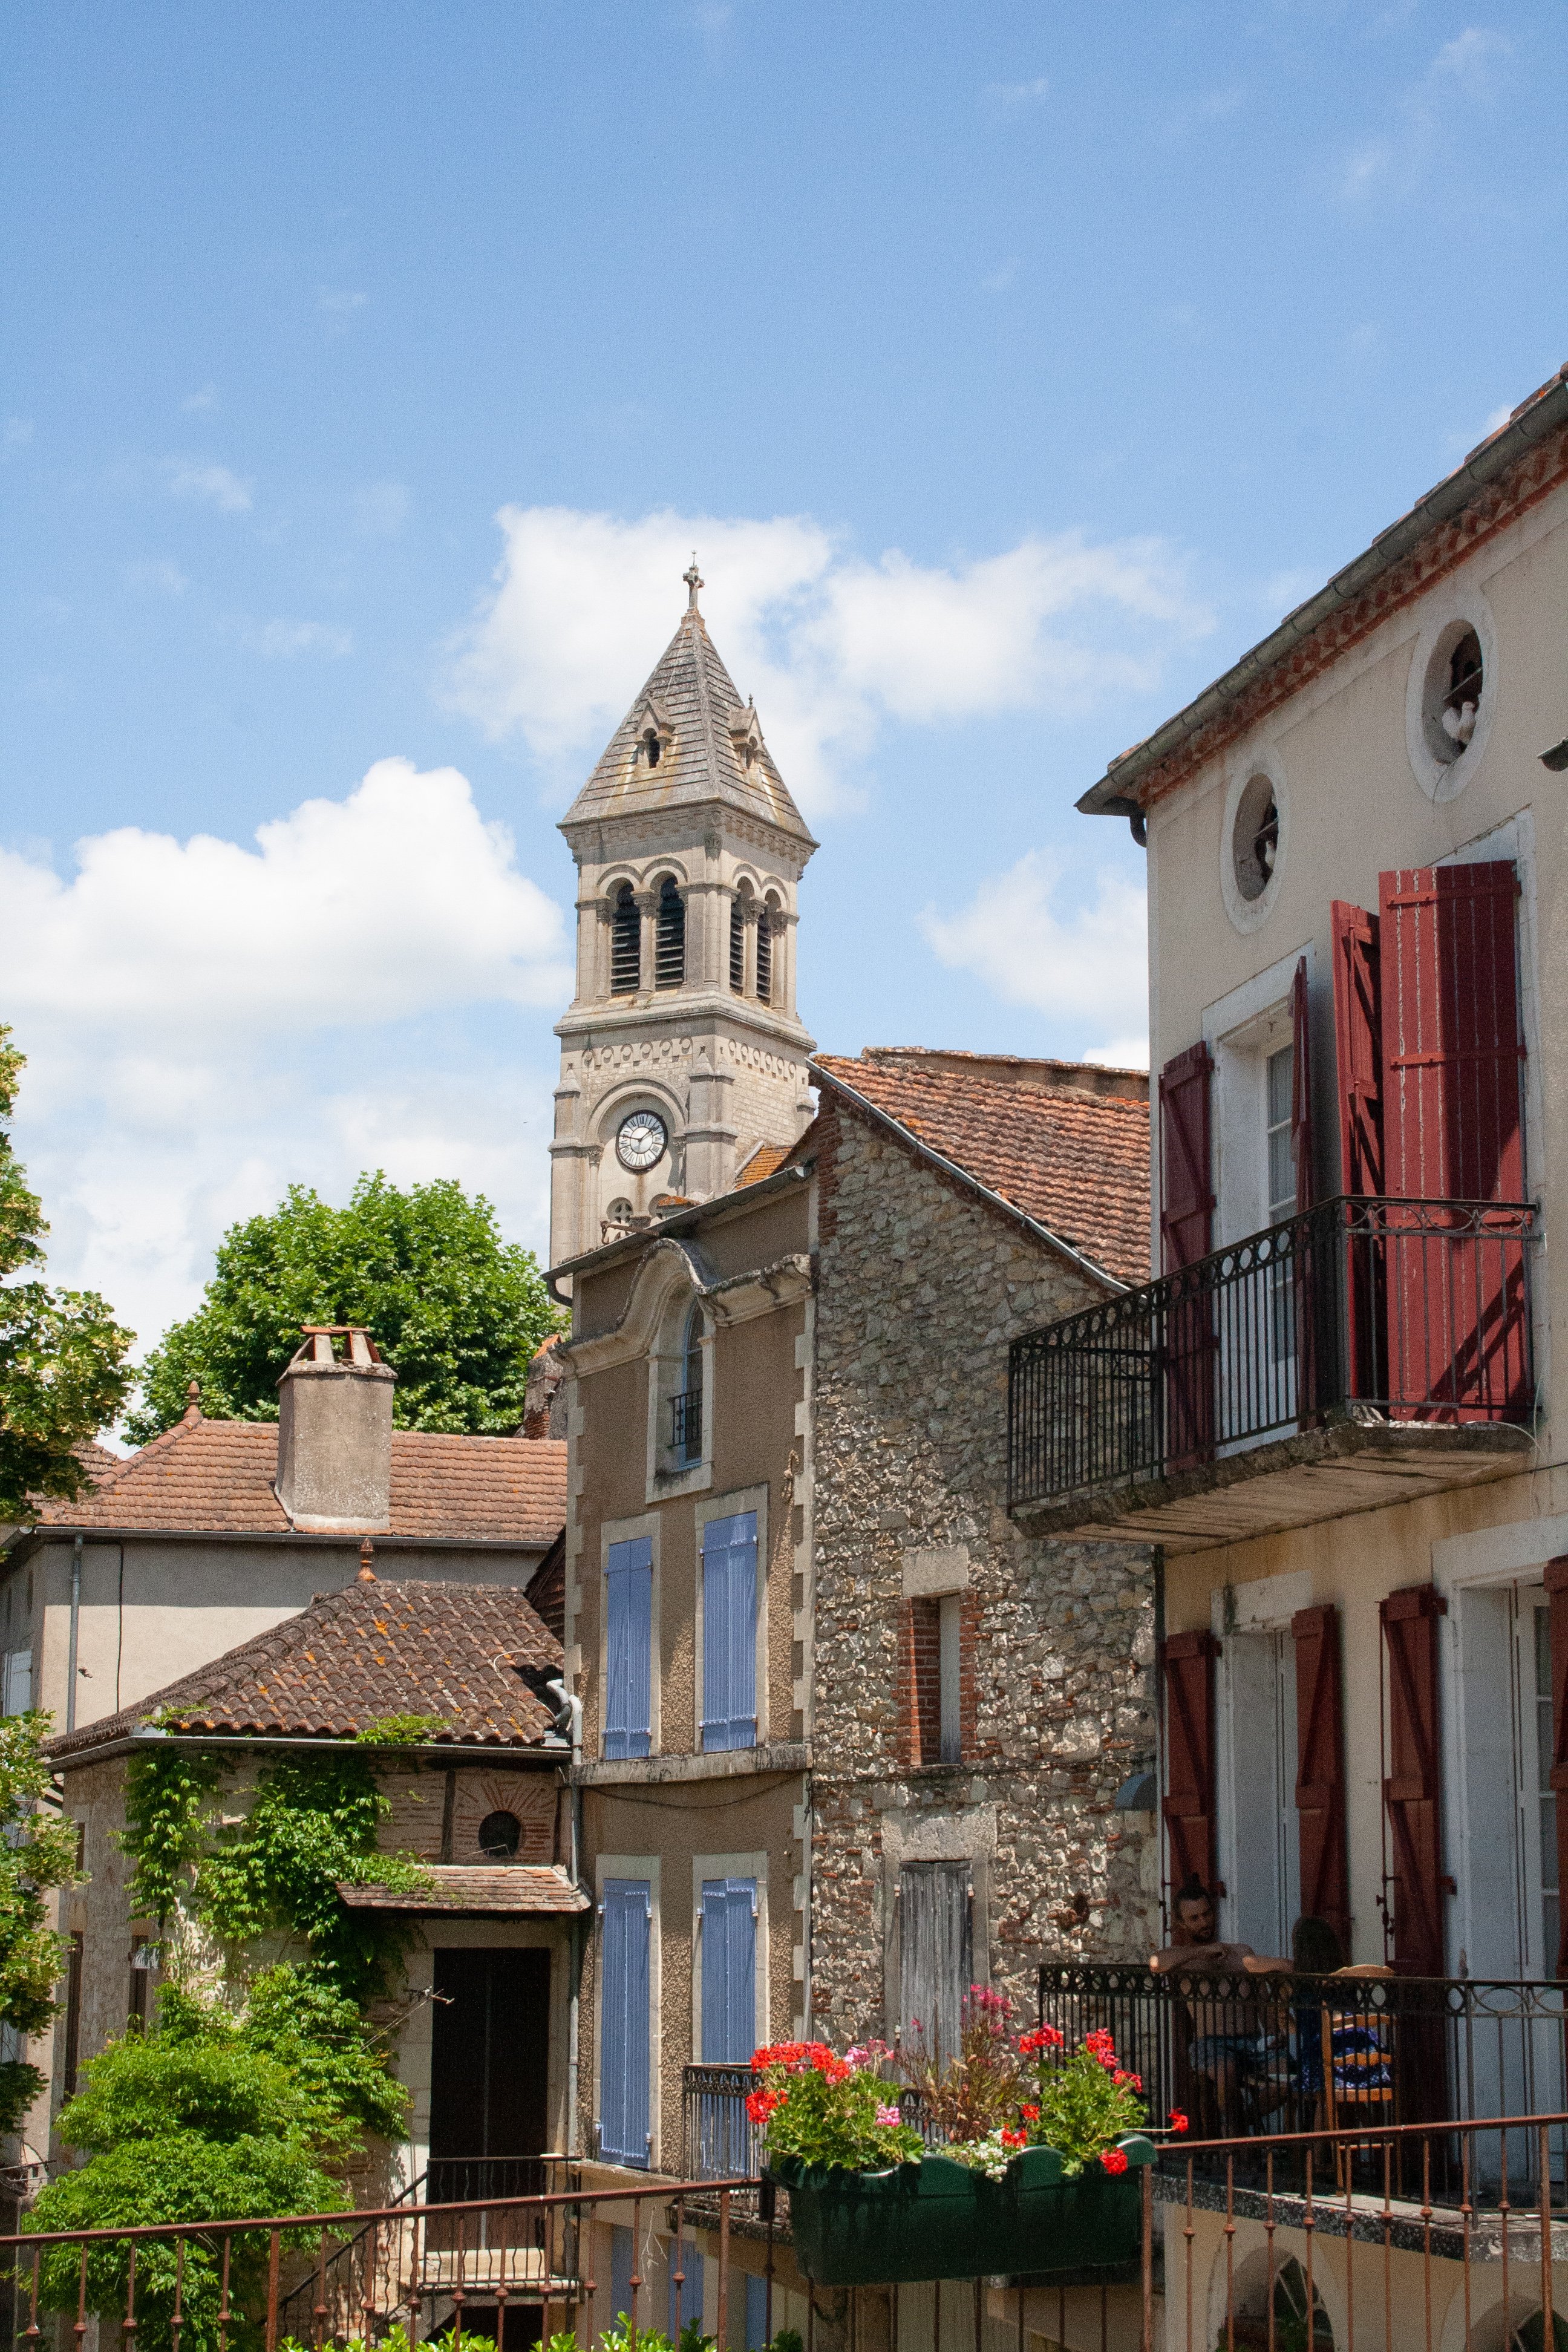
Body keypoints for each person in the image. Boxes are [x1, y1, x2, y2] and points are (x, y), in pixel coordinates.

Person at [1151, 1879, 1292, 2128]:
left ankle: (1239, 2126)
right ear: (1182, 1923)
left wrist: (1274, 2033)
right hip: (1212, 2044)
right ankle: (1238, 2145)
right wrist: (1203, 1952)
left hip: (1253, 2041)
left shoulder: (1240, 1952)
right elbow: (1156, 1963)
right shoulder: (1182, 1959)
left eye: (1206, 1914)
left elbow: (1261, 1998)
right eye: (1194, 1918)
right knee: (1226, 2071)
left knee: (1288, 2079)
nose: (1203, 1922)